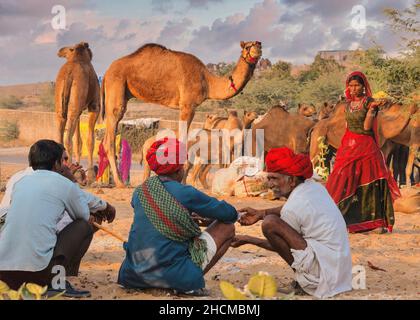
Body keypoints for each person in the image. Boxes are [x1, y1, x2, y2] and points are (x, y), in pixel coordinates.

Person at [118, 137, 238, 295]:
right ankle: (190, 280)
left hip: (132, 275)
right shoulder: (186, 193)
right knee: (227, 227)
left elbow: (157, 214)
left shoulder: (140, 191)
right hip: (172, 277)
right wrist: (206, 216)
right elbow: (230, 214)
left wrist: (185, 215)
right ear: (179, 170)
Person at [232, 147, 352, 299]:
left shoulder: (292, 208)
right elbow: (292, 208)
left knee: (269, 224)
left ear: (292, 180)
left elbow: (281, 245)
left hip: (323, 276)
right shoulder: (314, 187)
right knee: (269, 219)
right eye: (269, 178)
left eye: (274, 178)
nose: (270, 184)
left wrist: (248, 239)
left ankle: (304, 282)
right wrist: (261, 213)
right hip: (340, 272)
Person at [0, 140, 116, 298]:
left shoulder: (21, 182)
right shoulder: (64, 184)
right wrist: (72, 181)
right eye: (63, 160)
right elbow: (82, 216)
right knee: (83, 226)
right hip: (37, 274)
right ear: (56, 163)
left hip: (5, 275)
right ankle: (57, 282)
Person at [326, 71, 400, 233]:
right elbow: (347, 127)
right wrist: (344, 146)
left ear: (363, 86)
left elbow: (367, 127)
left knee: (369, 181)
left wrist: (372, 110)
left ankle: (375, 224)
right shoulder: (347, 105)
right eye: (350, 85)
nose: (353, 89)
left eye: (356, 85)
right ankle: (340, 220)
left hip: (366, 147)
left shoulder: (369, 103)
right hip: (348, 147)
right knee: (342, 180)